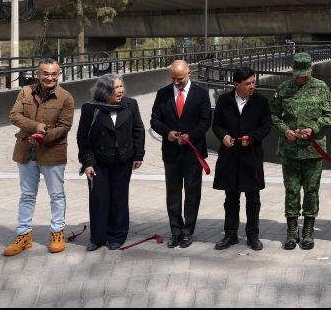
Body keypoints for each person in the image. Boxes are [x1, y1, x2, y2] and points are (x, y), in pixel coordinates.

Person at [3, 59, 74, 257]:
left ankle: (57, 232)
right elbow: (14, 115)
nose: (49, 77)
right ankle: (24, 235)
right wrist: (36, 127)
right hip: (26, 152)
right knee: (27, 195)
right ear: (38, 74)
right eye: (45, 73)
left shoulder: (66, 97)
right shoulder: (25, 92)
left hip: (53, 152)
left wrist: (43, 137)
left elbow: (65, 126)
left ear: (58, 75)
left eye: (53, 74)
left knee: (57, 195)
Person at [271, 52, 331, 250]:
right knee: (291, 191)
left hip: (313, 151)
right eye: (297, 74)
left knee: (311, 191)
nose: (300, 78)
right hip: (290, 151)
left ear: (311, 69)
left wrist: (314, 129)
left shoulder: (321, 87)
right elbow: (274, 115)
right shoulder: (283, 88)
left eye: (304, 74)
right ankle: (292, 232)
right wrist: (285, 131)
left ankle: (308, 231)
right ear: (292, 69)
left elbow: (330, 115)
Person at [77, 74, 145, 251]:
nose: (120, 91)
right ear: (104, 91)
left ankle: (117, 236)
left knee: (119, 198)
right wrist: (88, 163)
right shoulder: (90, 108)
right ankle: (97, 238)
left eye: (121, 87)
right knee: (99, 199)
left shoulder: (130, 104)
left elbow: (138, 130)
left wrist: (138, 155)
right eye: (116, 88)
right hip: (99, 162)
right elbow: (82, 138)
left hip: (123, 160)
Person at [150, 60, 212, 249]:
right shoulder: (163, 94)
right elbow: (154, 120)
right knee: (173, 193)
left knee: (192, 193)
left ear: (189, 73)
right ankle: (175, 231)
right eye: (173, 79)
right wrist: (167, 133)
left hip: (193, 152)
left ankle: (188, 231)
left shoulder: (201, 94)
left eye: (180, 79)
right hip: (171, 153)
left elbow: (205, 121)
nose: (176, 82)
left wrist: (189, 136)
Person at [212, 67, 271, 251]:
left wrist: (251, 138)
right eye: (247, 83)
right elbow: (217, 125)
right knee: (231, 197)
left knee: (253, 198)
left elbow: (266, 126)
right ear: (236, 84)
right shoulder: (224, 100)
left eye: (253, 82)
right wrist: (224, 137)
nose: (252, 86)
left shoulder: (261, 101)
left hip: (251, 156)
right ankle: (230, 234)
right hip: (229, 156)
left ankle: (252, 235)